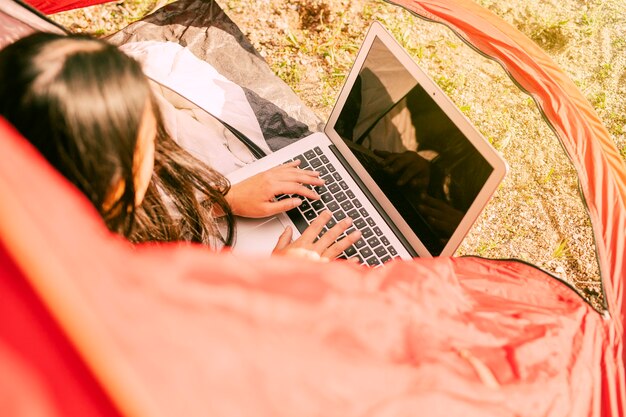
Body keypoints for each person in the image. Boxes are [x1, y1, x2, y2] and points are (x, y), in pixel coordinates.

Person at [0, 32, 360, 260]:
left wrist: (220, 202)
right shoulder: (69, 271)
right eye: (147, 139)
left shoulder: (28, 200)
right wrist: (277, 283)